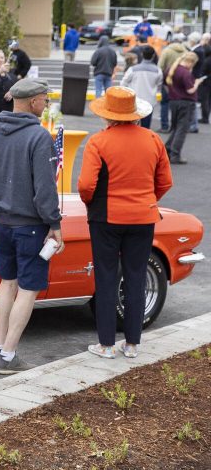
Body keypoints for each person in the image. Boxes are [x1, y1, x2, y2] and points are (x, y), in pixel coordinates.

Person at [0, 78, 63, 375]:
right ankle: (8, 356)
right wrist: (55, 224)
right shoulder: (39, 137)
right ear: (33, 101)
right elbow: (45, 189)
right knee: (29, 288)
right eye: (45, 99)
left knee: (7, 282)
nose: (46, 104)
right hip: (31, 224)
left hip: (0, 221)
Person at [78, 86, 171, 360]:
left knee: (106, 278)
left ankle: (106, 345)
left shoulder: (99, 142)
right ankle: (132, 344)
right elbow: (165, 181)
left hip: (106, 217)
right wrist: (147, 199)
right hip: (143, 216)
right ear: (134, 115)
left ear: (108, 116)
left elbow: (85, 185)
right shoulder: (153, 139)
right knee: (136, 276)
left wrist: (91, 202)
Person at [165, 52, 203, 164]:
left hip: (173, 101)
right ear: (191, 62)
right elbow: (190, 90)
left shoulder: (171, 69)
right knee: (182, 129)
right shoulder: (186, 73)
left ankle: (167, 150)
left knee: (176, 127)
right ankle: (175, 155)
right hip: (186, 103)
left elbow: (166, 84)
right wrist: (197, 83)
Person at [120, 46, 161, 129]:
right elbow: (159, 85)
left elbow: (123, 84)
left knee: (132, 127)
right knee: (145, 128)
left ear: (142, 55)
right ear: (153, 56)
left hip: (134, 101)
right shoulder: (158, 70)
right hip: (149, 102)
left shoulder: (133, 69)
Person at [157, 33, 188, 132]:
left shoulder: (167, 51)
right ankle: (177, 126)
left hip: (168, 80)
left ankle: (165, 126)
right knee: (179, 102)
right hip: (181, 80)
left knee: (165, 103)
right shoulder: (185, 51)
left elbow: (160, 66)